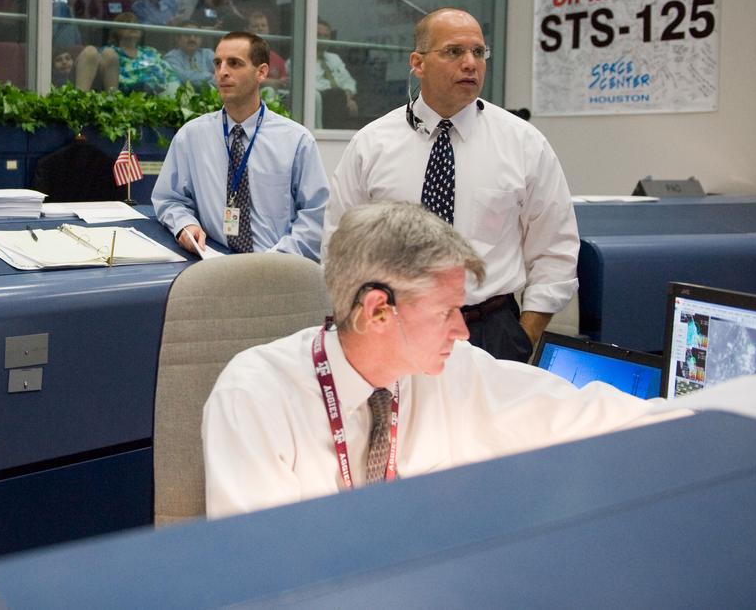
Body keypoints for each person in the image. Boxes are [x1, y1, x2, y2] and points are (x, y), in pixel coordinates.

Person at [203, 201, 674, 519]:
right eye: (446, 312)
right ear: (378, 311)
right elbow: (263, 575)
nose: (462, 330)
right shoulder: (255, 398)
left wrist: (707, 419)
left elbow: (579, 412)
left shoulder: (451, 370)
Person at [324, 7, 579, 363]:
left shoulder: (523, 143)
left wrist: (525, 334)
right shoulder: (372, 145)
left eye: (479, 52)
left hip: (490, 330)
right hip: (392, 327)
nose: (470, 63)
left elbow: (555, 247)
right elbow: (339, 245)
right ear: (418, 63)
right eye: (454, 51)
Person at [153, 31, 328, 261]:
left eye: (234, 63)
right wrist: (185, 225)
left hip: (277, 267)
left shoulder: (296, 140)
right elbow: (169, 198)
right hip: (214, 262)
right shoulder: (192, 136)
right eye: (218, 63)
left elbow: (316, 216)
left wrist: (276, 260)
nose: (222, 72)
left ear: (261, 72)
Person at [163, 22, 215, 88]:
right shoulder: (170, 57)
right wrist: (210, 76)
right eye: (187, 35)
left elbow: (223, 74)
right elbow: (183, 78)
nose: (192, 39)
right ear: (178, 39)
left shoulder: (208, 53)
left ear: (201, 39)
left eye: (196, 35)